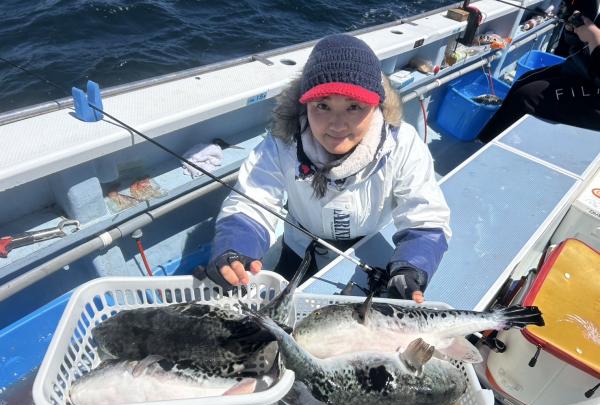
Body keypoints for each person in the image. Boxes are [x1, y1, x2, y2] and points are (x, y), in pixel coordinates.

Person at [199, 34, 451, 303]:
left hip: (364, 251)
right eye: (323, 106)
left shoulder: (402, 144)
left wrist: (411, 267)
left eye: (354, 107)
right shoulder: (283, 143)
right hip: (298, 245)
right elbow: (252, 201)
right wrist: (236, 247)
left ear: (375, 105)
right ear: (304, 104)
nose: (337, 124)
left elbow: (426, 217)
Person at [478, 3, 600, 142]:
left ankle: (490, 144)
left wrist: (593, 37)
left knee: (526, 97)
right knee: (524, 80)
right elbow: (581, 43)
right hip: (583, 70)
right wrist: (574, 29)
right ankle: (490, 136)